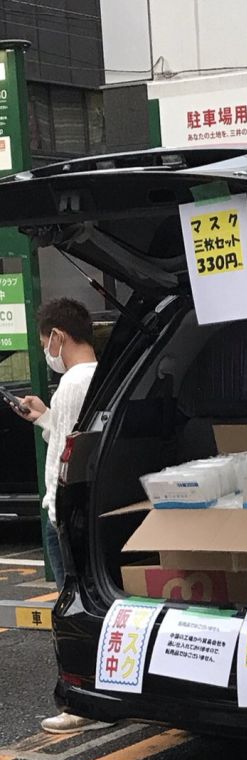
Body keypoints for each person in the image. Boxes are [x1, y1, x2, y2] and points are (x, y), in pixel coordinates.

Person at [19, 298, 113, 735]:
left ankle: (81, 703)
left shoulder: (73, 381)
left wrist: (56, 512)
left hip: (66, 514)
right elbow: (72, 434)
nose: (46, 353)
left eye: (45, 344)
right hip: (90, 515)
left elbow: (64, 455)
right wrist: (45, 417)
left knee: (70, 609)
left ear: (58, 336)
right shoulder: (100, 375)